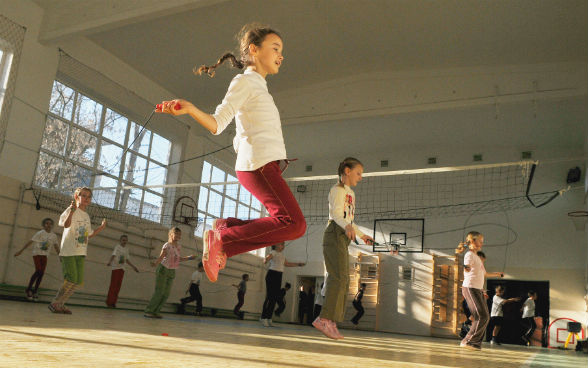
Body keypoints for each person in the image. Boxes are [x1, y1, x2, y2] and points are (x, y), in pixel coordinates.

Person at [155, 23, 306, 283]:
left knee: (287, 222)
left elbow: (242, 132)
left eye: (282, 50)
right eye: (275, 48)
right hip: (258, 166)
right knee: (294, 223)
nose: (281, 55)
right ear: (254, 50)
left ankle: (226, 228)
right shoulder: (245, 81)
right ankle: (223, 239)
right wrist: (191, 109)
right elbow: (218, 123)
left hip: (261, 166)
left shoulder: (258, 87)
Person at [313, 157, 374, 340]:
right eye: (358, 173)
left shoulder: (351, 194)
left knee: (345, 280)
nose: (360, 177)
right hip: (334, 233)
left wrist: (362, 235)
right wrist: (347, 227)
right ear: (347, 171)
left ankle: (331, 320)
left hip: (343, 235)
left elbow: (348, 221)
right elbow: (337, 216)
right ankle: (323, 318)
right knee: (337, 277)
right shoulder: (336, 190)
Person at [48, 187, 106, 314]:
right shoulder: (70, 210)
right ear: (76, 197)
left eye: (89, 196)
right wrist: (72, 211)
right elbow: (66, 225)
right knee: (71, 279)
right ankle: (55, 302)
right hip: (69, 250)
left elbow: (88, 235)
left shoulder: (86, 216)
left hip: (81, 252)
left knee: (77, 281)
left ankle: (61, 304)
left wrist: (101, 228)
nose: (86, 198)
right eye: (83, 195)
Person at [455, 231, 504, 350]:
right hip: (470, 288)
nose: (482, 244)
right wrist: (466, 267)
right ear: (472, 241)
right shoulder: (469, 255)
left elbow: (484, 274)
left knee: (485, 316)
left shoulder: (477, 257)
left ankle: (475, 342)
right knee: (481, 315)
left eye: (482, 241)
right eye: (480, 241)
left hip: (478, 289)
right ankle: (468, 341)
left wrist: (498, 274)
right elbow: (467, 268)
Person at [144, 227, 196, 318]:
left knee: (166, 293)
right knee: (159, 292)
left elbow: (178, 259)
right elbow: (161, 257)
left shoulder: (178, 247)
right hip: (163, 269)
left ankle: (156, 311)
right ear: (171, 234)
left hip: (172, 271)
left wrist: (189, 257)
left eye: (179, 234)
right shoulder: (167, 245)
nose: (178, 236)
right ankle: (149, 311)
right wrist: (155, 263)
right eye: (176, 233)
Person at [14, 218, 60, 301]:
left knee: (41, 273)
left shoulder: (53, 236)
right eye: (46, 223)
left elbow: (56, 246)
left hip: (45, 255)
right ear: (43, 225)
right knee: (38, 270)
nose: (48, 225)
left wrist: (60, 256)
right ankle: (28, 289)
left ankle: (35, 291)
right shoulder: (40, 233)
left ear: (52, 225)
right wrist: (20, 251)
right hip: (37, 254)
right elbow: (30, 242)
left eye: (50, 224)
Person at [261, 243, 304, 327]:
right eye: (281, 244)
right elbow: (267, 258)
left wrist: (298, 264)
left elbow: (287, 264)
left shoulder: (282, 255)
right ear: (276, 245)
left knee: (274, 298)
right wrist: (266, 260)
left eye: (283, 244)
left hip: (279, 276)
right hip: (272, 275)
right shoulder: (273, 252)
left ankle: (269, 318)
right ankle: (263, 318)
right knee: (270, 297)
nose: (283, 246)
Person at [106, 234, 139, 308]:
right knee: (113, 286)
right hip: (116, 268)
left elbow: (126, 260)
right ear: (120, 240)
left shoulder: (127, 249)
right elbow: (113, 255)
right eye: (123, 240)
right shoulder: (117, 247)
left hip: (122, 268)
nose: (124, 241)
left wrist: (134, 267)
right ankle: (109, 302)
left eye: (126, 240)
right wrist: (110, 262)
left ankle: (113, 302)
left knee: (118, 286)